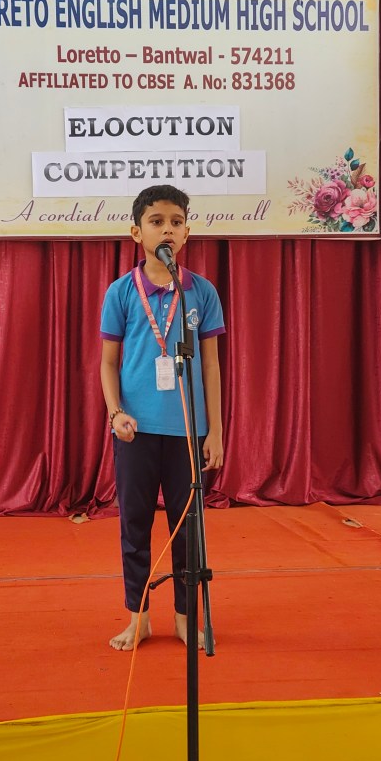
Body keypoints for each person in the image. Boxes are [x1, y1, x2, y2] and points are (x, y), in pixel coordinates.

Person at [100, 184, 225, 651]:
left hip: (187, 433)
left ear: (187, 232)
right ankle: (139, 618)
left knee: (188, 529)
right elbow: (107, 363)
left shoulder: (201, 292)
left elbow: (210, 365)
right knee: (134, 526)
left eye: (176, 221)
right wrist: (116, 413)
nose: (167, 229)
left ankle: (185, 617)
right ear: (137, 232)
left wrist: (215, 430)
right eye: (156, 221)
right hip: (135, 433)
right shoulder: (120, 292)